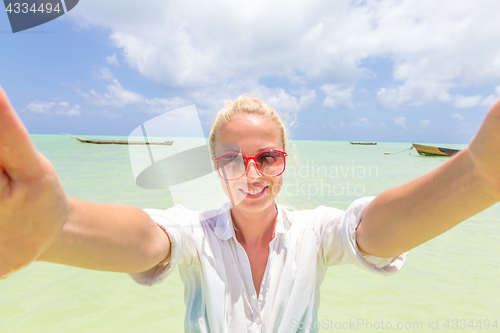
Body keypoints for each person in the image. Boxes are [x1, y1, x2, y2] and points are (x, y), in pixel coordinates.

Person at [0, 86, 499, 333]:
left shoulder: (313, 232)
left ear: (285, 162)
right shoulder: (195, 233)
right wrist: (56, 228)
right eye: (233, 161)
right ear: (216, 169)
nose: (252, 174)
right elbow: (149, 239)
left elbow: (370, 231)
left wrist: (476, 177)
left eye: (267, 157)